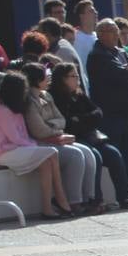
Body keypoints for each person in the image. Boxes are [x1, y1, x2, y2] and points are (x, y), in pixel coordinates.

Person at [0, 71, 74, 219]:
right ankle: (61, 198)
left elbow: (22, 138)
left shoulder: (16, 108)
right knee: (52, 152)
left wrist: (34, 145)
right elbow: (15, 138)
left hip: (19, 149)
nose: (25, 91)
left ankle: (47, 208)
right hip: (4, 153)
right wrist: (35, 146)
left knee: (47, 162)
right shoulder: (2, 109)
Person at [50, 62, 128, 211]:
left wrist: (81, 119)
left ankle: (124, 196)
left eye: (77, 75)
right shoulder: (56, 98)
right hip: (74, 138)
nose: (77, 79)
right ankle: (95, 200)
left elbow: (98, 113)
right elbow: (68, 123)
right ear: (62, 79)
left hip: (91, 135)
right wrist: (85, 120)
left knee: (114, 154)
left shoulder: (79, 95)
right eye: (73, 76)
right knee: (95, 156)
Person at [22, 63, 101, 214]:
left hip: (56, 137)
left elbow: (61, 120)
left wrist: (52, 126)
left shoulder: (46, 96)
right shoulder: (30, 101)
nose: (48, 78)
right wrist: (55, 129)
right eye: (45, 76)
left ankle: (88, 198)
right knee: (75, 155)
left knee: (88, 153)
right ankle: (74, 201)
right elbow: (39, 130)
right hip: (42, 143)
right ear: (37, 79)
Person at [85, 19, 128, 200]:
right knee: (117, 152)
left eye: (117, 31)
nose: (116, 34)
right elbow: (119, 76)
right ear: (101, 33)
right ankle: (122, 193)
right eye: (111, 31)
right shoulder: (97, 55)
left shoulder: (120, 52)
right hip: (110, 112)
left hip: (127, 110)